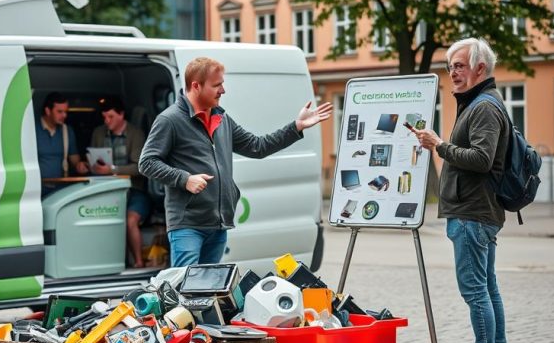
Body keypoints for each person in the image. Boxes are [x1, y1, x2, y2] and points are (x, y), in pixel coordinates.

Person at [139, 57, 332, 267]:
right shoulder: (170, 120)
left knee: (209, 289)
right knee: (184, 288)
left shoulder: (222, 119)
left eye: (222, 83)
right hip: (188, 225)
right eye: (217, 85)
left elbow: (258, 146)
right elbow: (147, 162)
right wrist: (185, 179)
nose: (223, 90)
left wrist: (296, 126)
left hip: (219, 224)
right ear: (196, 86)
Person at [410, 37, 511, 343]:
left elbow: (482, 159)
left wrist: (439, 145)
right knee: (488, 289)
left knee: (476, 293)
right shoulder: (480, 103)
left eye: (460, 65)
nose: (453, 72)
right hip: (477, 211)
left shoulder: (483, 107)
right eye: (450, 66)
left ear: (480, 69)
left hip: (472, 213)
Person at [90, 95, 152, 268]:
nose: (107, 121)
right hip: (105, 192)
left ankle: (139, 262)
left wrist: (113, 170)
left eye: (110, 117)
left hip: (135, 192)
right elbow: (94, 161)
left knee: (130, 220)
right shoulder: (98, 133)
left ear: (121, 115)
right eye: (104, 117)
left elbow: (140, 168)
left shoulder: (135, 134)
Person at [36, 92, 89, 195]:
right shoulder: (33, 129)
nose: (64, 115)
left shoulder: (67, 131)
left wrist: (80, 165)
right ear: (48, 111)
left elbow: (75, 160)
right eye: (59, 111)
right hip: (36, 190)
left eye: (66, 111)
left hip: (60, 191)